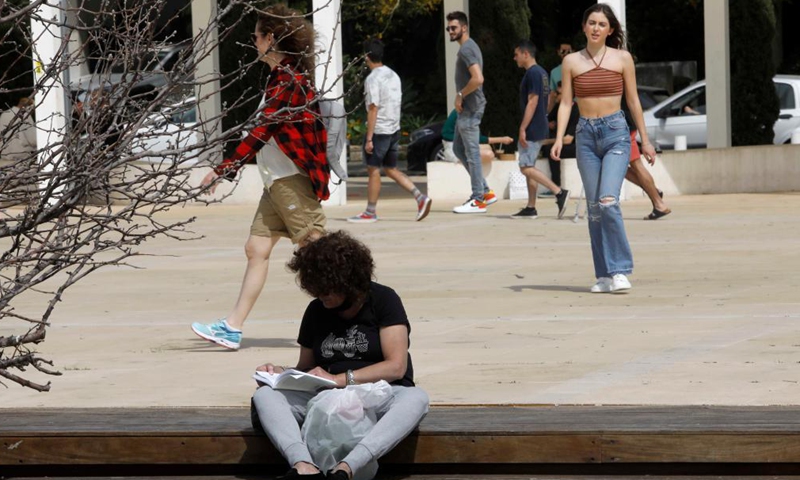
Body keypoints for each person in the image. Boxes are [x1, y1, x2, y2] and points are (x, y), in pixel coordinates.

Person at [191, 4, 329, 350]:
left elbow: (261, 132)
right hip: (276, 182)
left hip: (291, 182)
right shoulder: (280, 77)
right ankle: (232, 327)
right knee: (256, 248)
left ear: (270, 38)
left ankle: (361, 317)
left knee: (319, 255)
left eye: (255, 36)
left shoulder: (289, 80)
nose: (252, 42)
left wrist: (221, 171)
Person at [251, 230, 429, 480]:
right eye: (315, 288)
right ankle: (303, 465)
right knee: (266, 396)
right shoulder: (316, 310)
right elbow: (306, 367)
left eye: (327, 289)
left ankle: (347, 468)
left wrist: (339, 380)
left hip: (378, 393)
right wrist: (279, 374)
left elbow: (396, 367)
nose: (320, 295)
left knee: (416, 398)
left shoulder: (383, 300)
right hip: (324, 395)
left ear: (349, 282)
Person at [551, 4, 658, 294]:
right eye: (592, 22)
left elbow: (634, 101)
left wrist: (644, 140)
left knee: (609, 201)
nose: (596, 28)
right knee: (595, 209)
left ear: (610, 30)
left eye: (602, 24)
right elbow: (565, 103)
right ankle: (604, 275)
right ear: (584, 27)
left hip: (615, 134)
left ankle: (620, 269)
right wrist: (560, 137)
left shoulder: (623, 59)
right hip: (585, 134)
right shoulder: (572, 61)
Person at [348, 39, 432, 224]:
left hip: (379, 131)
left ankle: (370, 212)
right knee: (391, 169)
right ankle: (420, 198)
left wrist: (369, 138)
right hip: (394, 129)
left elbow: (373, 108)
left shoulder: (372, 79)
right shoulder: (393, 75)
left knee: (373, 170)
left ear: (366, 56)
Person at [512, 40, 569, 220]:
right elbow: (548, 100)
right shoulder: (542, 73)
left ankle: (559, 192)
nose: (515, 58)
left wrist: (523, 127)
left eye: (516, 55)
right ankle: (531, 207)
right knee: (530, 166)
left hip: (532, 126)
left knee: (525, 167)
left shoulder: (533, 73)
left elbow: (533, 101)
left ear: (525, 54)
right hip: (538, 124)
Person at [446, 11, 494, 214]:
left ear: (464, 28)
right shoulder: (469, 46)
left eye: (454, 28)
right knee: (458, 149)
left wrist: (459, 95)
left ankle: (478, 199)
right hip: (467, 109)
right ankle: (485, 191)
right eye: (448, 28)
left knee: (472, 154)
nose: (450, 31)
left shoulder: (466, 50)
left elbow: (478, 78)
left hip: (470, 108)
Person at [620, 104, 671, 220]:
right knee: (620, 168)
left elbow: (634, 103)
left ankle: (659, 203)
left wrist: (645, 141)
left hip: (624, 127)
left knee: (636, 165)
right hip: (622, 126)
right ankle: (654, 192)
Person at [440, 109, 513, 163]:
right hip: (454, 149)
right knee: (489, 154)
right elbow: (477, 139)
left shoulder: (464, 111)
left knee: (487, 147)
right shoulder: (466, 113)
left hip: (459, 145)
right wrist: (502, 139)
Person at [0, 97, 37, 162]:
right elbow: (32, 139)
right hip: (21, 157)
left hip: (4, 155)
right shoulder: (25, 115)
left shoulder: (4, 113)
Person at [547, 42, 573, 113]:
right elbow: (552, 94)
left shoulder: (580, 69)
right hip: (562, 111)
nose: (565, 54)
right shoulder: (554, 72)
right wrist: (548, 115)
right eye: (563, 51)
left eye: (569, 51)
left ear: (573, 52)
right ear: (558, 52)